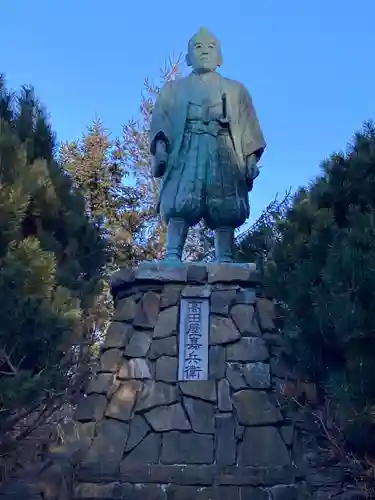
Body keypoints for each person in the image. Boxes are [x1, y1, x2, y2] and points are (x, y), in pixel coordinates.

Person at [150, 27, 266, 263]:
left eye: (211, 47)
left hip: (222, 147)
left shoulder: (236, 91)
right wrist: (161, 148)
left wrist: (250, 159)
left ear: (220, 56)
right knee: (180, 200)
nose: (204, 52)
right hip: (187, 147)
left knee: (225, 203)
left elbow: (248, 125)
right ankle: (173, 254)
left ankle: (224, 256)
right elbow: (162, 119)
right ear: (188, 57)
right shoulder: (173, 90)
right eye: (198, 47)